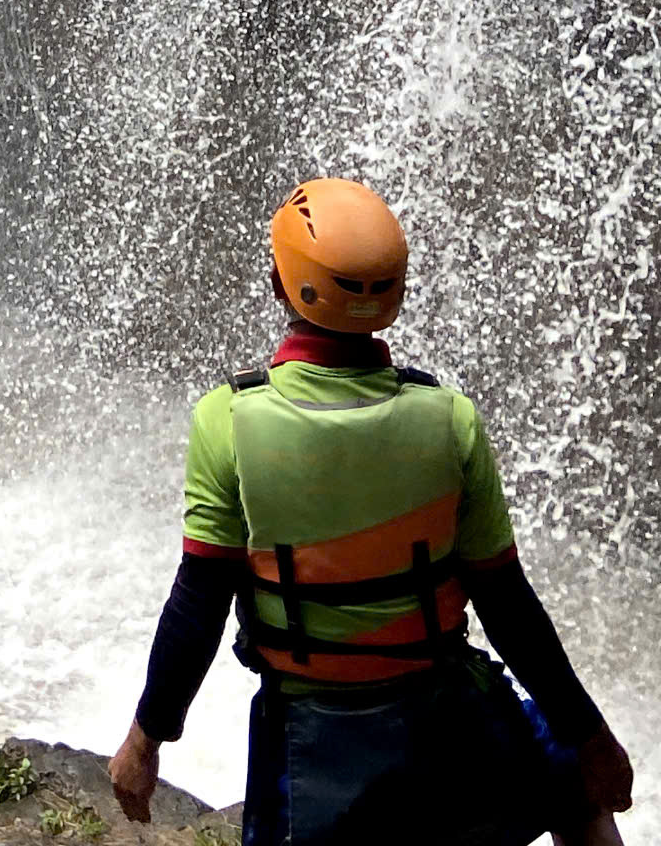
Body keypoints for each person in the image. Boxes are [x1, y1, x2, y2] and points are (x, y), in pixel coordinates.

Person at [108, 178, 635, 846]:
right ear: (396, 294)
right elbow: (506, 603)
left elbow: (200, 600)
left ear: (280, 286)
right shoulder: (449, 421)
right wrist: (592, 739)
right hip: (445, 720)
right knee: (573, 788)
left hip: (307, 736)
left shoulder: (229, 420)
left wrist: (147, 739)